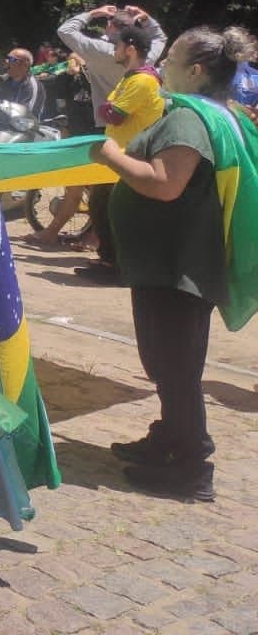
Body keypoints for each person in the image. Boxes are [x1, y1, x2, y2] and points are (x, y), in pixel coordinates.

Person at [95, 25, 258, 502]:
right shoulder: (223, 113)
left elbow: (165, 182)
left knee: (174, 365)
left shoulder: (188, 119)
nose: (162, 63)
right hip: (182, 260)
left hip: (177, 266)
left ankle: (191, 467)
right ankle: (169, 436)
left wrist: (110, 154)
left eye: (172, 59)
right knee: (173, 360)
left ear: (196, 71)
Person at [59, 4, 166, 280]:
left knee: (112, 211)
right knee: (102, 207)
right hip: (118, 153)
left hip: (129, 155)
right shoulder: (133, 74)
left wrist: (93, 13)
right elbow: (109, 109)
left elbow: (113, 114)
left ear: (129, 48)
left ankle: (116, 266)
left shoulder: (141, 80)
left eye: (117, 45)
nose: (113, 47)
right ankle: (109, 260)